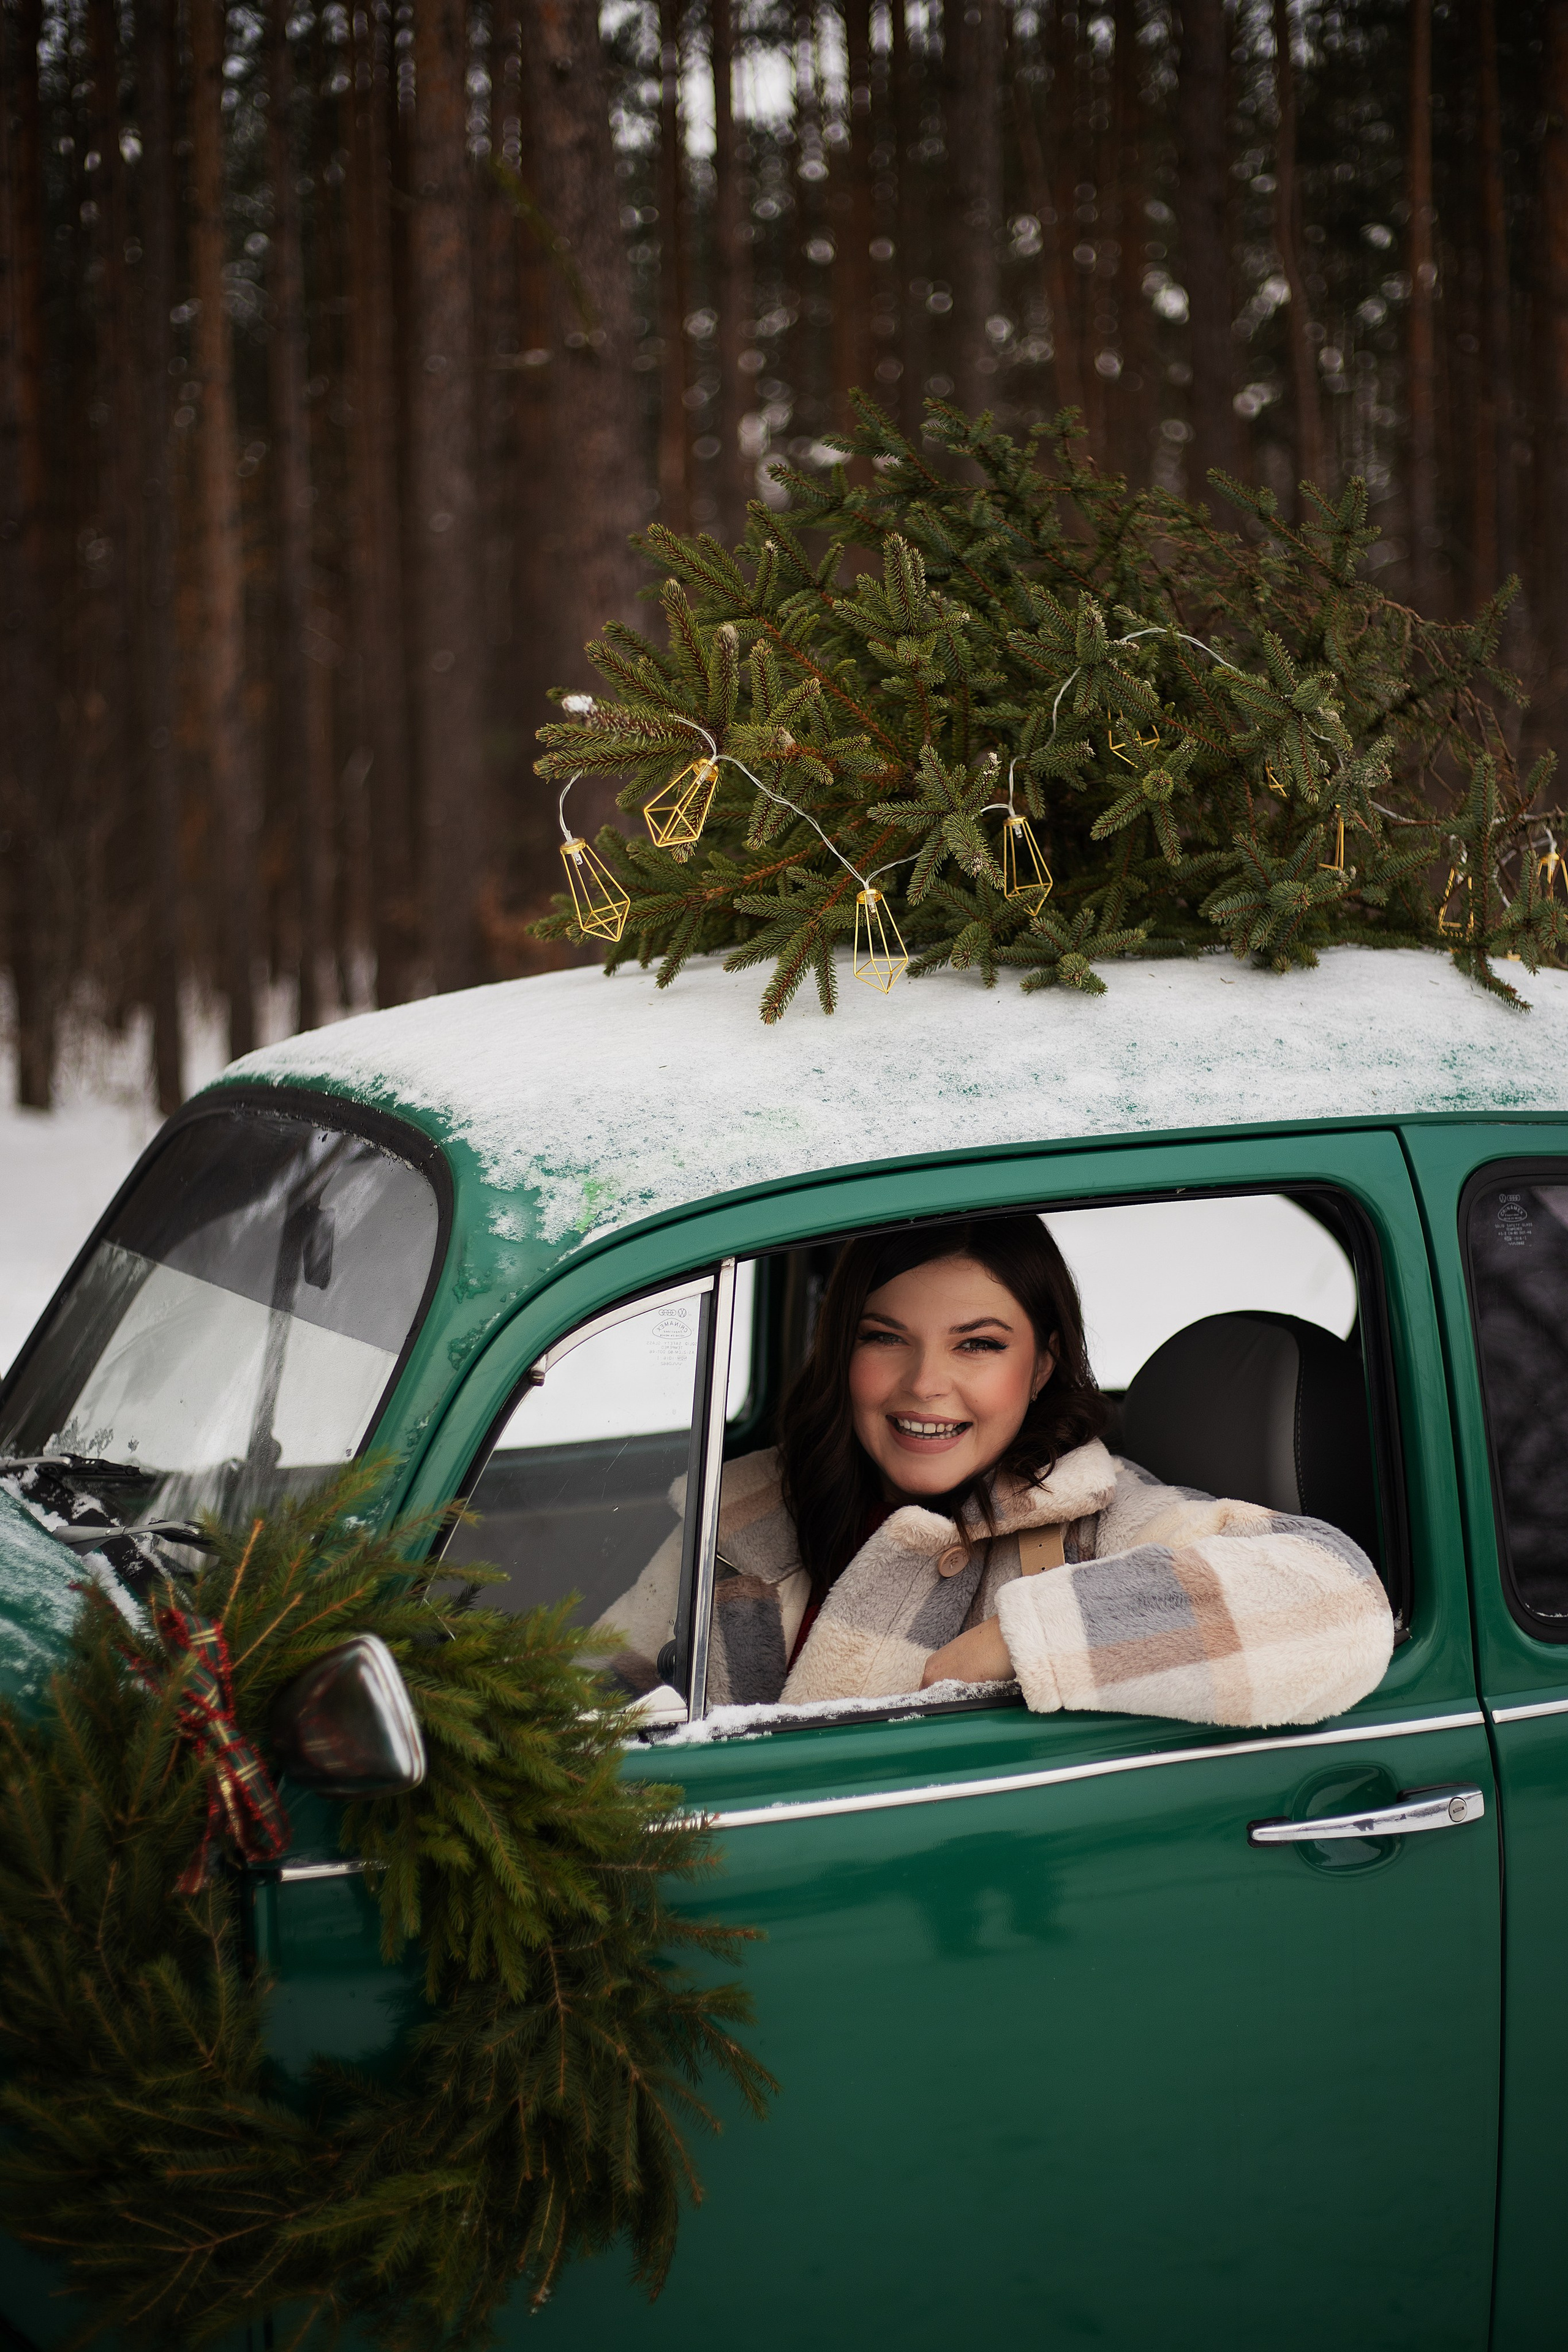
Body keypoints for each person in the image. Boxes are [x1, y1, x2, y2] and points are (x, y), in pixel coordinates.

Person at [601, 1216, 1394, 1726]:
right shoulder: (747, 1517)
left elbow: (1338, 1606)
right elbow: (588, 1698)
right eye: (884, 1338)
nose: (924, 1384)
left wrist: (1023, 1639)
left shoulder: (1089, 1523)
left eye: (977, 1344)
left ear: (1043, 1365)